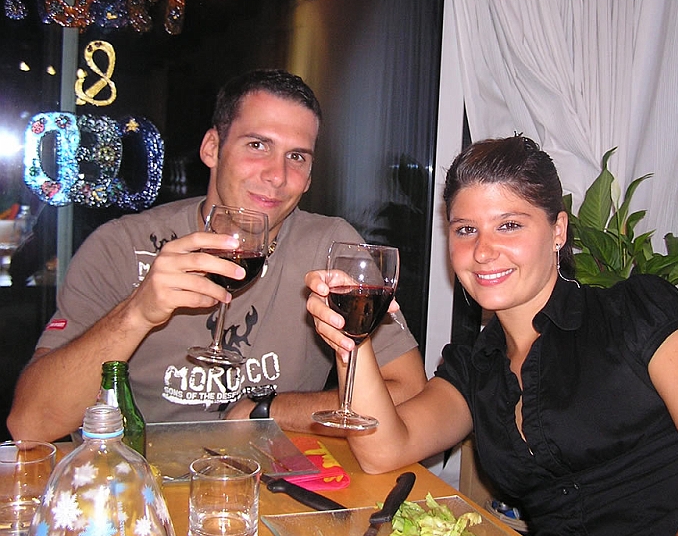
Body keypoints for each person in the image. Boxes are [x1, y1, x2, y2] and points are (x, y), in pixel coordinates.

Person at [305, 135, 678, 536]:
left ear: (558, 231)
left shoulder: (637, 313)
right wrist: (352, 340)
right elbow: (383, 449)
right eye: (466, 230)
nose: (483, 251)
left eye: (509, 225)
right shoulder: (476, 366)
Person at [7, 69, 426, 441]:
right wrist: (137, 313)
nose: (277, 175)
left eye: (296, 157)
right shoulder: (120, 245)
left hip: (274, 480)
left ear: (310, 176)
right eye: (257, 145)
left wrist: (270, 410)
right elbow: (30, 424)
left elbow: (408, 388)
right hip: (148, 481)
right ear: (211, 148)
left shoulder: (330, 248)